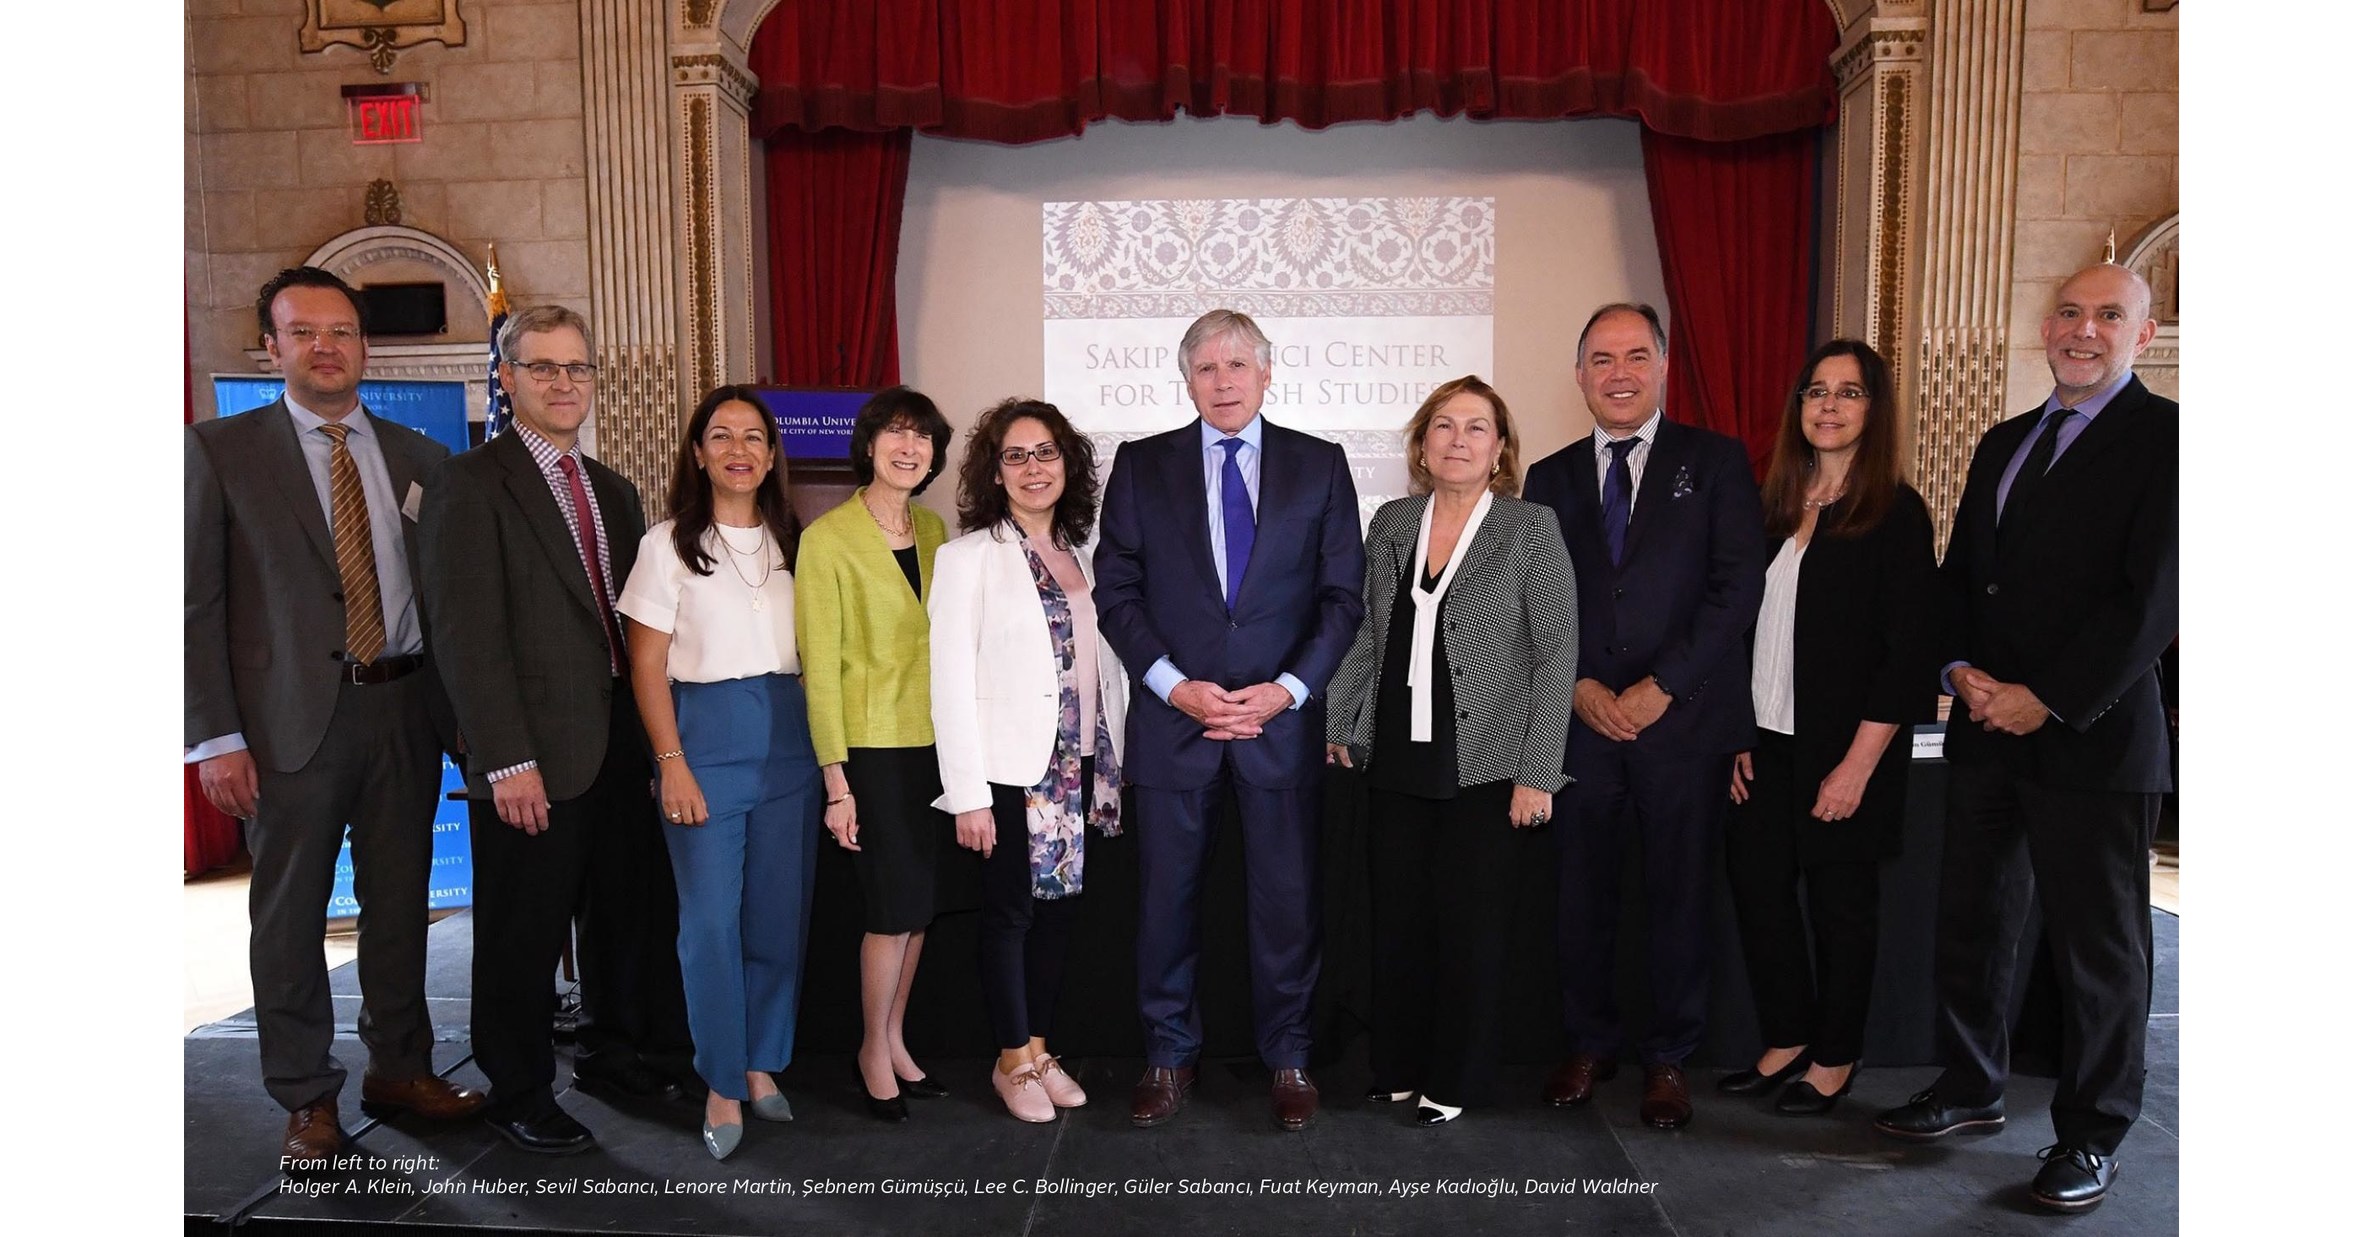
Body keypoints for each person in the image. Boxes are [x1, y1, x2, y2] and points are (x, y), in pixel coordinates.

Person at [1875, 264, 2176, 1213]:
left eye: (2107, 316)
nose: (2082, 330)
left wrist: (2045, 696)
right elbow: (1963, 576)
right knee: (1974, 922)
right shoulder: (2006, 440)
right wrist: (1956, 669)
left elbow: (2152, 603)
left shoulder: (2172, 441)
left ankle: (2090, 1136)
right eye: (2069, 312)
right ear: (2046, 326)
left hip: (2093, 737)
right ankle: (1970, 1088)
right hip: (1985, 730)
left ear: (2145, 330)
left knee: (2099, 950)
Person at [186, 266, 484, 1165]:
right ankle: (306, 1097)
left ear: (364, 345)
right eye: (303, 331)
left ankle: (400, 1067)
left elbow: (445, 602)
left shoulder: (417, 456)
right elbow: (193, 602)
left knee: (400, 908)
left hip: (402, 709)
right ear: (270, 346)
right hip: (285, 727)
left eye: (342, 332)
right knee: (290, 917)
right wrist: (215, 735)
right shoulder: (219, 450)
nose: (326, 347)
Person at [420, 304, 693, 1155]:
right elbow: (465, 636)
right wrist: (505, 760)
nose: (563, 383)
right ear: (506, 378)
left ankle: (611, 1054)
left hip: (614, 737)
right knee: (523, 927)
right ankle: (517, 1086)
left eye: (577, 368)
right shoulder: (470, 483)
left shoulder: (611, 488)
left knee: (621, 911)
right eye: (542, 367)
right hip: (532, 749)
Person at [1094, 308, 1365, 1132]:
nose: (1222, 382)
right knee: (1165, 904)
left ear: (1266, 371)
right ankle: (1168, 1057)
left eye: (1236, 365)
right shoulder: (1142, 465)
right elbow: (1117, 591)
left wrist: (1286, 690)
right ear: (1186, 380)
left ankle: (1288, 1056)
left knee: (1285, 904)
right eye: (1205, 369)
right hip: (1174, 724)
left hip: (1277, 725)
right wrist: (1175, 685)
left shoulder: (1320, 465)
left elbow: (1341, 598)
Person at [1521, 303, 1762, 1131]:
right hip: (1580, 725)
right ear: (1578, 374)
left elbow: (1736, 588)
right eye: (1599, 358)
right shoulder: (1548, 477)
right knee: (1578, 897)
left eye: (1633, 355)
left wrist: (1662, 684)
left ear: (1663, 366)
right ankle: (1588, 1042)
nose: (1617, 373)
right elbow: (1536, 601)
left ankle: (1668, 1056)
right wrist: (1580, 683)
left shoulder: (1717, 461)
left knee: (1677, 896)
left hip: (1682, 722)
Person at [1324, 376, 1576, 1127]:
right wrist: (1342, 721)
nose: (1457, 440)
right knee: (1397, 922)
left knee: (1470, 930)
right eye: (1442, 426)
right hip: (1399, 757)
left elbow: (1555, 654)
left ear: (1499, 448)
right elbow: (1368, 633)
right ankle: (1397, 1066)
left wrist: (1538, 773)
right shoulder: (1394, 522)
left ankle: (1454, 1079)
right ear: (1421, 443)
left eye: (1475, 427)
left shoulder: (1530, 527)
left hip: (1488, 763)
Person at [1720, 340, 1937, 1116]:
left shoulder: (1894, 513)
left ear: (1872, 411)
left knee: (1842, 909)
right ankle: (1785, 1036)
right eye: (1815, 391)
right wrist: (1737, 732)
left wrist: (1855, 767)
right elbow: (1745, 633)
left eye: (1848, 393)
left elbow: (1905, 654)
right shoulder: (1771, 503)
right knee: (1761, 894)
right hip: (1765, 743)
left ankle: (1835, 1055)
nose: (1828, 406)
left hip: (1849, 751)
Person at [616, 386, 819, 1161]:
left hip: (790, 745)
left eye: (755, 436)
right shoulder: (666, 543)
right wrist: (671, 762)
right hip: (702, 744)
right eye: (722, 435)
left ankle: (763, 1060)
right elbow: (645, 664)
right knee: (708, 925)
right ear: (697, 452)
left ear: (772, 454)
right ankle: (720, 1078)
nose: (740, 448)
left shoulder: (794, 542)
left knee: (776, 916)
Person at [929, 399, 1128, 1123]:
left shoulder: (1087, 552)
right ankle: (1009, 1055)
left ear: (1066, 462)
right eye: (1015, 455)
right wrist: (968, 793)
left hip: (1081, 765)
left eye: (1045, 452)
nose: (1033, 467)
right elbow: (947, 678)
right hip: (1012, 770)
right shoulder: (967, 558)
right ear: (994, 470)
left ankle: (1040, 1047)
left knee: (1061, 914)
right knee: (1011, 913)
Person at [795, 385, 956, 1121]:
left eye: (921, 436)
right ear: (867, 444)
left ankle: (895, 1038)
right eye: (895, 432)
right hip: (869, 750)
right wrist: (837, 781)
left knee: (919, 909)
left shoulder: (933, 529)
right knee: (889, 909)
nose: (908, 446)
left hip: (933, 746)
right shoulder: (827, 538)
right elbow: (818, 667)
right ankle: (868, 1047)